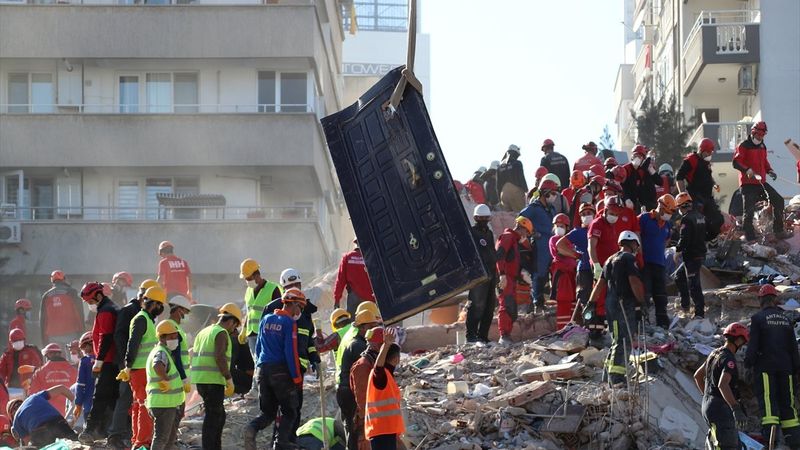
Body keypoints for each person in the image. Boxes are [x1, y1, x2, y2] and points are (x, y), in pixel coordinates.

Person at [244, 289, 305, 450]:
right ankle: (281, 442)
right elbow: (290, 352)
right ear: (294, 304)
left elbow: (257, 349)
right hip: (280, 372)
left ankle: (251, 428)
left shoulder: (265, 319)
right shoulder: (289, 323)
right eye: (301, 307)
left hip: (262, 371)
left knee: (268, 413)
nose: (300, 312)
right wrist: (297, 378)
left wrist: (260, 369)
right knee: (290, 411)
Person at [265, 269, 319, 442]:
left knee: (295, 409)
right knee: (283, 411)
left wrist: (315, 358)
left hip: (298, 371)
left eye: (297, 285)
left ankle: (290, 443)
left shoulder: (305, 310)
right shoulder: (273, 309)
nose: (295, 288)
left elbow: (309, 340)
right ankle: (279, 443)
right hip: (281, 371)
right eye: (290, 286)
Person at [745, 284, 800, 446]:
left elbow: (753, 346)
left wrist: (748, 364)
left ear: (761, 300)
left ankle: (772, 439)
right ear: (775, 299)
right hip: (786, 368)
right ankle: (794, 440)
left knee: (769, 402)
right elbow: (793, 348)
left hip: (765, 368)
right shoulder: (786, 320)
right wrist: (796, 369)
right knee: (788, 403)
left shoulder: (758, 319)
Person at [107, 278, 158, 447]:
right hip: (132, 365)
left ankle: (133, 436)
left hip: (139, 366)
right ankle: (116, 435)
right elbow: (121, 337)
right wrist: (126, 364)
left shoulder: (146, 315)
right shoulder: (131, 312)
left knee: (136, 403)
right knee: (127, 399)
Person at [589, 230, 644, 385]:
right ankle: (617, 378)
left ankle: (607, 376)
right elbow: (634, 281)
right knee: (623, 340)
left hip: (611, 304)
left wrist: (591, 303)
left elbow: (599, 284)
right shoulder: (628, 259)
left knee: (616, 339)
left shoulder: (609, 260)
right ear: (633, 244)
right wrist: (641, 302)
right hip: (623, 305)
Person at [119, 285, 168, 449]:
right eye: (160, 305)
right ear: (154, 304)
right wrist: (128, 366)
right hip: (140, 370)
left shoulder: (146, 319)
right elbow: (132, 344)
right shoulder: (141, 319)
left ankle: (138, 440)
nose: (160, 309)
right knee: (144, 405)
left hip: (143, 370)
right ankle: (142, 442)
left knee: (139, 405)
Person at [191, 302, 241, 450]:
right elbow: (219, 357)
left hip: (201, 380)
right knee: (213, 418)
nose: (234, 330)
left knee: (219, 415)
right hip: (213, 381)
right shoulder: (221, 333)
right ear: (231, 321)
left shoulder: (204, 332)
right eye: (234, 326)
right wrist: (228, 378)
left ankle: (215, 446)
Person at [694, 322, 749, 450]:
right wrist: (736, 408)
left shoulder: (714, 354)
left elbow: (697, 376)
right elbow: (723, 385)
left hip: (707, 406)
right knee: (728, 447)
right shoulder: (728, 359)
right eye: (743, 342)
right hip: (720, 410)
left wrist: (708, 397)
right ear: (739, 340)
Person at [78, 281, 120, 444]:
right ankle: (114, 432)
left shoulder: (105, 311)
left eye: (90, 301)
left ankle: (90, 430)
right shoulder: (111, 308)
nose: (90, 305)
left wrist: (99, 361)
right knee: (112, 398)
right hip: (113, 361)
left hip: (108, 362)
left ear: (98, 295)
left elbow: (106, 337)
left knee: (100, 397)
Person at [733, 121, 788, 242]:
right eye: (759, 135)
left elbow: (764, 162)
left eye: (762, 135)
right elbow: (736, 162)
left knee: (779, 200)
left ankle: (778, 230)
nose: (760, 137)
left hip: (761, 183)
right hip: (748, 185)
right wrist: (747, 170)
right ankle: (750, 237)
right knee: (749, 211)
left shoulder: (762, 146)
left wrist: (770, 170)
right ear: (753, 132)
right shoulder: (743, 145)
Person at [240, 257, 283, 396]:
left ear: (256, 274)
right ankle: (259, 388)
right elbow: (249, 311)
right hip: (252, 332)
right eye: (245, 279)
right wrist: (244, 329)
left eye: (249, 278)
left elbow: (280, 312)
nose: (247, 281)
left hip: (267, 332)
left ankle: (258, 388)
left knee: (262, 360)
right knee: (257, 360)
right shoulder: (248, 291)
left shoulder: (273, 289)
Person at [338, 309, 381, 450]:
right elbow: (363, 375)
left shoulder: (358, 343)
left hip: (346, 391)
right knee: (355, 430)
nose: (373, 329)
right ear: (362, 327)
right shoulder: (359, 346)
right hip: (349, 393)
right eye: (370, 326)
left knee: (352, 430)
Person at [586, 196, 624, 338]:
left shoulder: (610, 226)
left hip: (610, 268)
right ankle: (595, 332)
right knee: (599, 298)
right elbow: (591, 247)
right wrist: (596, 265)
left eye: (617, 214)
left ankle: (603, 329)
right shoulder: (597, 224)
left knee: (609, 298)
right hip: (600, 268)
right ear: (606, 210)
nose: (614, 216)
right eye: (612, 213)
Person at [146, 320, 187, 450]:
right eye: (171, 337)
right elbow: (157, 365)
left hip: (167, 402)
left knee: (168, 439)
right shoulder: (161, 352)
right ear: (162, 338)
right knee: (161, 438)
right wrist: (165, 379)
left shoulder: (165, 352)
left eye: (175, 336)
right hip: (163, 403)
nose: (175, 339)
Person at [520, 179, 558, 310]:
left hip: (552, 246)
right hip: (540, 246)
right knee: (539, 274)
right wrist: (532, 232)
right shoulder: (534, 208)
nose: (554, 196)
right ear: (544, 193)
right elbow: (520, 219)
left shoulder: (551, 209)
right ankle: (538, 303)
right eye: (552, 193)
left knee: (552, 275)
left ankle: (548, 302)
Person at [638, 194, 675, 328]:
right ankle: (643, 323)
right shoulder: (644, 218)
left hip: (660, 264)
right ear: (660, 206)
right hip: (645, 262)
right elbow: (636, 236)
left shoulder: (667, 225)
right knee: (645, 293)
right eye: (667, 211)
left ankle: (662, 324)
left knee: (661, 295)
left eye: (671, 213)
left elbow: (666, 240)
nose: (668, 215)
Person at [675, 138, 723, 241]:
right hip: (695, 197)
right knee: (697, 221)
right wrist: (683, 195)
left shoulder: (706, 162)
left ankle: (706, 241)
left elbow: (707, 178)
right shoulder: (691, 160)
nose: (709, 155)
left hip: (708, 198)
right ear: (702, 150)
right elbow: (679, 177)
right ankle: (696, 242)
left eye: (711, 152)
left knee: (718, 220)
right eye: (708, 152)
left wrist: (714, 184)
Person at [495, 216, 533, 345]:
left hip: (510, 278)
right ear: (522, 228)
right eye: (527, 232)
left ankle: (507, 335)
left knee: (511, 308)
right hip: (505, 278)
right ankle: (504, 336)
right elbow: (500, 255)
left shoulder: (514, 240)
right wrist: (502, 275)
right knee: (506, 306)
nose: (526, 236)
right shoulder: (508, 237)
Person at [364, 327, 404, 450]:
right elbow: (378, 367)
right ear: (396, 359)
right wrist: (386, 346)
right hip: (381, 432)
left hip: (386, 431)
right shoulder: (381, 376)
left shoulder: (388, 376)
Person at [466, 204, 498, 344]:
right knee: (477, 306)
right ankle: (471, 336)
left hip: (491, 274)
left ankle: (482, 336)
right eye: (481, 218)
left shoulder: (489, 233)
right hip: (479, 276)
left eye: (486, 218)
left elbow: (491, 252)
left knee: (489, 307)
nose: (484, 220)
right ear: (475, 218)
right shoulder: (471, 233)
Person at [560, 202, 596, 323]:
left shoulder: (599, 229)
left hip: (598, 269)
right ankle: (587, 325)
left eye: (589, 213)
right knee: (584, 298)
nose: (587, 216)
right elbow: (559, 245)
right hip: (584, 268)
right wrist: (575, 255)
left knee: (598, 298)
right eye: (584, 214)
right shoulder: (578, 232)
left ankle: (598, 325)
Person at [8, 385, 77, 447]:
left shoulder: (16, 422)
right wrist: (76, 404)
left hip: (40, 431)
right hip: (59, 422)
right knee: (75, 444)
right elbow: (61, 388)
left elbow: (27, 445)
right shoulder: (34, 397)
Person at [673, 193, 707, 318]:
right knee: (679, 276)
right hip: (698, 253)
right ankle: (685, 306)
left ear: (681, 206)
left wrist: (677, 251)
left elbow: (684, 238)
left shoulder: (686, 219)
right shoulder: (700, 216)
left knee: (694, 285)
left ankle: (699, 313)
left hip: (692, 256)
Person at [351, 327, 384, 450]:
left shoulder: (375, 362)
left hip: (379, 418)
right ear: (377, 344)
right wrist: (364, 430)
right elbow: (362, 399)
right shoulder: (364, 365)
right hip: (369, 420)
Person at [40, 270, 84, 351]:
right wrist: (82, 331)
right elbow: (79, 313)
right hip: (71, 332)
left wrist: (44, 339)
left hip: (52, 334)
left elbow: (43, 319)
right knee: (72, 360)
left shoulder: (46, 296)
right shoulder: (72, 292)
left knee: (55, 360)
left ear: (52, 280)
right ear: (64, 279)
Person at [28, 343, 77, 416]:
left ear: (47, 355)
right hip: (71, 414)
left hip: (48, 416)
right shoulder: (74, 371)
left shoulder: (39, 373)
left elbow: (33, 397)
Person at [550, 213, 578, 329]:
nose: (559, 228)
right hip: (562, 274)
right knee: (563, 300)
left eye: (562, 225)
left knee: (573, 301)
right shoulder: (554, 239)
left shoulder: (570, 239)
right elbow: (560, 251)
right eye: (557, 225)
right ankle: (562, 329)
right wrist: (576, 255)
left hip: (572, 273)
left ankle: (571, 327)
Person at [333, 241, 376, 315]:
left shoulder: (347, 257)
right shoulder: (373, 257)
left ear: (356, 244)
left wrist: (337, 299)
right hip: (371, 297)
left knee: (354, 324)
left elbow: (340, 280)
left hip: (354, 297)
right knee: (371, 320)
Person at [165, 295, 192, 398]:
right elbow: (175, 356)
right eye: (186, 312)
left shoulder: (174, 327)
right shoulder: (172, 328)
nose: (186, 315)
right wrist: (184, 378)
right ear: (178, 310)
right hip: (176, 376)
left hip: (176, 375)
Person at [622, 145, 660, 212]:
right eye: (636, 155)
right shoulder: (625, 169)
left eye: (640, 156)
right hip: (624, 203)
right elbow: (620, 186)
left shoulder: (641, 172)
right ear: (632, 156)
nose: (638, 158)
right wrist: (626, 198)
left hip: (636, 205)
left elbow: (640, 191)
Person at [497, 144, 528, 211]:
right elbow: (521, 178)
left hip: (503, 194)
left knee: (508, 217)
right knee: (520, 215)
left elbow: (498, 186)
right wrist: (526, 190)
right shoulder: (517, 163)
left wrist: (500, 199)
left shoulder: (499, 167)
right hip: (516, 193)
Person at [73, 332, 95, 425]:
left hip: (89, 405)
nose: (83, 350)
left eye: (83, 347)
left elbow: (81, 385)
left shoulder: (85, 361)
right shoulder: (106, 359)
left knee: (91, 434)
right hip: (107, 406)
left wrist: (78, 404)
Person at [229, 326, 255, 395]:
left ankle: (246, 393)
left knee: (227, 374)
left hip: (252, 378)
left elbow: (229, 368)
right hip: (256, 377)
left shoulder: (233, 341)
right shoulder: (242, 340)